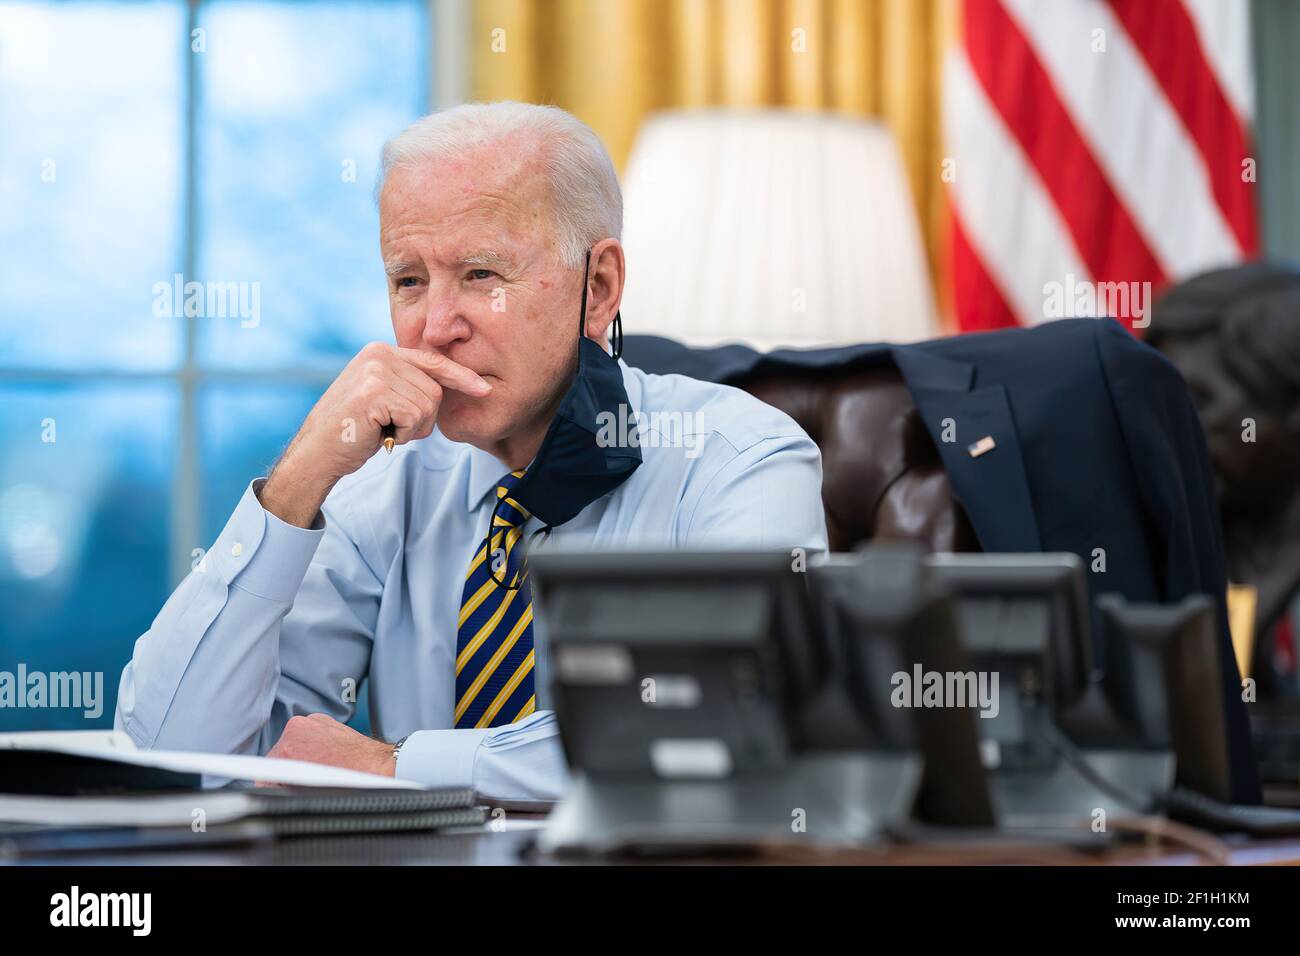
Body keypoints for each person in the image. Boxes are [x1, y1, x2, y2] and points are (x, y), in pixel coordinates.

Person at [114, 101, 828, 803]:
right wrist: (299, 478)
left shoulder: (742, 460)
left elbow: (730, 728)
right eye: (409, 281)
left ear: (599, 286)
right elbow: (169, 760)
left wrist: (401, 766)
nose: (434, 328)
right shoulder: (382, 490)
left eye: (482, 275)